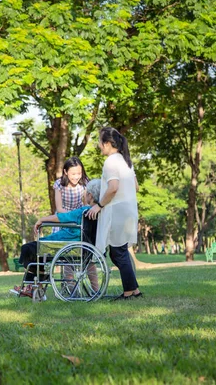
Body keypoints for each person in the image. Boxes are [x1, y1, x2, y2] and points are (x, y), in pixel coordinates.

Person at [10, 179, 101, 297]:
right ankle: (35, 286)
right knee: (35, 251)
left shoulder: (83, 211)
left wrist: (42, 220)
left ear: (90, 195)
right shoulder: (100, 213)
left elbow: (62, 217)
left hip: (65, 244)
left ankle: (33, 286)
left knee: (28, 249)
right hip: (84, 247)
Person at [87, 127, 142, 301]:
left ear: (108, 143)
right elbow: (136, 186)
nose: (99, 145)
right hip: (128, 210)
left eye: (100, 141)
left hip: (118, 211)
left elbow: (113, 188)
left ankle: (128, 293)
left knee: (118, 253)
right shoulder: (126, 161)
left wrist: (98, 205)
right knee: (120, 252)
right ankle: (134, 291)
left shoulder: (111, 162)